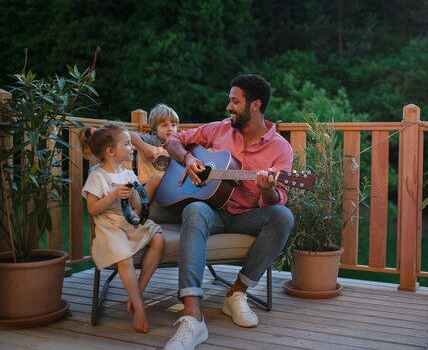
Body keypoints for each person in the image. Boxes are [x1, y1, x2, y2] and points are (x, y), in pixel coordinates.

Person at [163, 74, 294, 350]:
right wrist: (188, 158)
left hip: (248, 217)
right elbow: (174, 139)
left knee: (283, 216)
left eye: (235, 101)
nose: (228, 106)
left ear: (255, 105)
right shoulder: (219, 129)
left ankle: (236, 293)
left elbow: (276, 199)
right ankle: (192, 316)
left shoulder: (280, 148)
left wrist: (267, 188)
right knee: (195, 208)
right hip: (214, 212)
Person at [79, 122, 165, 333]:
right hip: (110, 225)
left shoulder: (128, 175)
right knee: (123, 256)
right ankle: (139, 306)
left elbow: (137, 206)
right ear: (110, 151)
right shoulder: (97, 176)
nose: (133, 147)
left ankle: (138, 294)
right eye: (127, 144)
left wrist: (144, 189)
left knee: (159, 239)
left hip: (128, 221)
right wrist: (113, 196)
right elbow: (92, 209)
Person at [129, 104, 179, 185]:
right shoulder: (153, 140)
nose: (170, 129)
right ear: (155, 130)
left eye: (173, 125)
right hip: (145, 181)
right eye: (164, 125)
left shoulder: (178, 143)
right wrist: (145, 148)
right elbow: (129, 134)